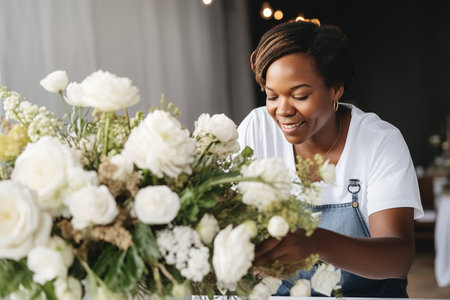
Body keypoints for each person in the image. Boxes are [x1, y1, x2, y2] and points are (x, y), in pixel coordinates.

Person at [237, 20, 424, 297]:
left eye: (300, 95)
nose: (283, 110)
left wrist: (315, 242)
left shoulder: (379, 142)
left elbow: (398, 258)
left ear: (335, 89)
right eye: (271, 96)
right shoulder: (255, 130)